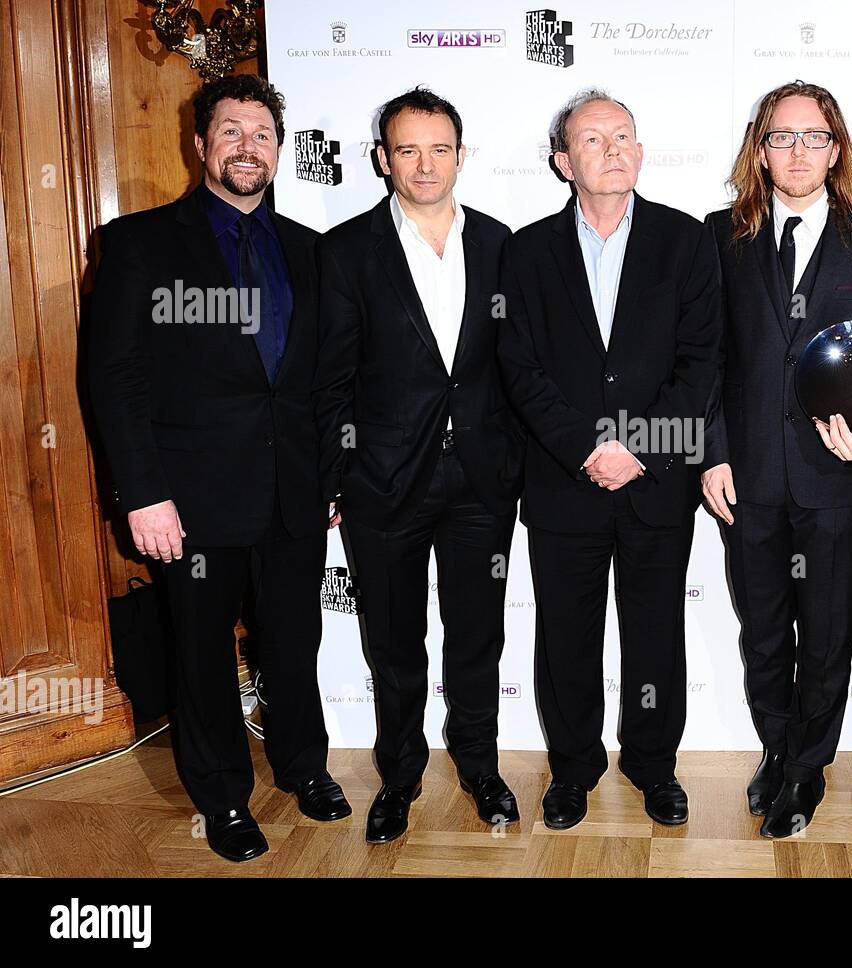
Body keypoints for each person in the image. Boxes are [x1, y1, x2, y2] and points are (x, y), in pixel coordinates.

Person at [87, 75, 348, 863]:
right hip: (190, 500)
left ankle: (305, 766)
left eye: (261, 132)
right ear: (199, 144)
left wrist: (330, 476)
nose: (246, 145)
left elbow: (327, 379)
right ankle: (223, 797)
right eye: (229, 130)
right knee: (200, 654)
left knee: (295, 641)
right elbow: (114, 376)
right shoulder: (139, 243)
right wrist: (144, 493)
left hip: (295, 493)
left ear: (278, 148)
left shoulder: (310, 249)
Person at [497, 89, 721, 830]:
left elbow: (702, 364)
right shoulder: (525, 250)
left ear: (642, 151)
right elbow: (518, 366)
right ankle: (572, 769)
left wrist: (639, 450)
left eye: (624, 135)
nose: (613, 149)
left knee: (656, 630)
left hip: (656, 481)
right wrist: (584, 449)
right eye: (593, 140)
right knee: (565, 633)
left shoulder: (686, 242)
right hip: (566, 483)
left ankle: (654, 765)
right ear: (564, 161)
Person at [314, 88, 524, 844]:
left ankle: (481, 767)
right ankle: (399, 776)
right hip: (382, 485)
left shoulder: (505, 244)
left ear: (461, 156)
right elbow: (329, 381)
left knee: (478, 638)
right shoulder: (342, 251)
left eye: (440, 148)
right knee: (394, 645)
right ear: (383, 159)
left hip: (482, 484)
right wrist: (340, 478)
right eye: (408, 149)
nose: (425, 163)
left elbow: (521, 369)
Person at [701, 81, 852, 839]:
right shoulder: (721, 235)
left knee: (825, 633)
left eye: (812, 136)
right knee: (762, 631)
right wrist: (713, 454)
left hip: (840, 476)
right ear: (761, 148)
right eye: (781, 136)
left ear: (836, 148)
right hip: (746, 475)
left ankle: (807, 768)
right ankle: (777, 746)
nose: (796, 150)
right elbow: (708, 358)